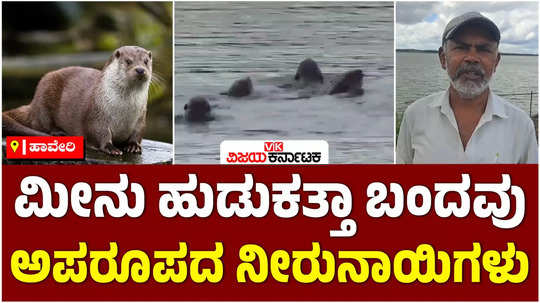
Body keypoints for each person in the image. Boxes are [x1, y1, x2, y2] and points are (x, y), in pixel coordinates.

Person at [397, 11, 538, 163]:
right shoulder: (415, 116)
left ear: (496, 62)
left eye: (483, 49)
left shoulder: (521, 126)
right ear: (443, 58)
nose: (472, 58)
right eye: (461, 47)